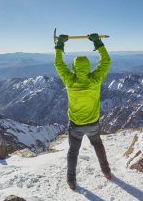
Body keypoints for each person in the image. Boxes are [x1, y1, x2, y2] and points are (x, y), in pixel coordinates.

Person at [54, 33, 112, 190]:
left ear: (73, 67)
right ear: (88, 67)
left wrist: (60, 45)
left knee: (73, 152)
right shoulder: (95, 79)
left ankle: (71, 181)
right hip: (93, 123)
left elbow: (58, 63)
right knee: (98, 145)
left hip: (76, 125)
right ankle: (106, 172)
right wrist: (97, 42)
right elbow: (106, 60)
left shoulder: (69, 80)